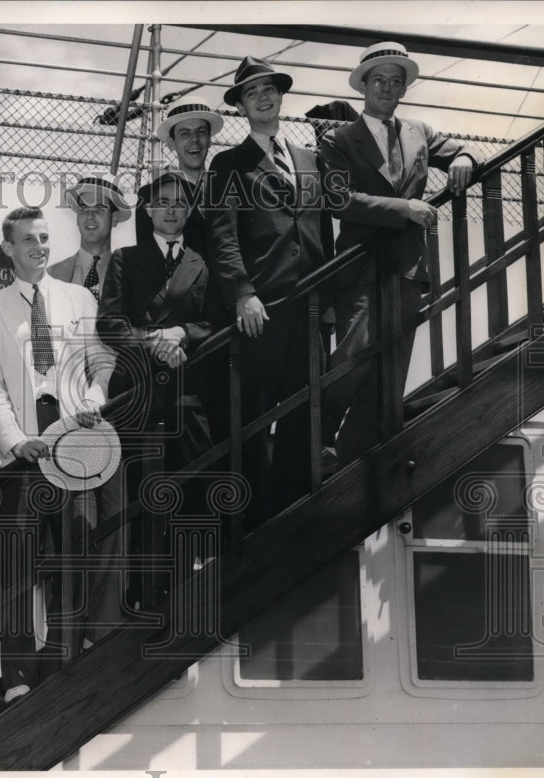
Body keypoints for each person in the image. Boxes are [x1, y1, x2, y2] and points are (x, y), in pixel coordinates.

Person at [0, 206, 122, 699]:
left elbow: (101, 360)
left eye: (44, 238)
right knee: (16, 566)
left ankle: (64, 666)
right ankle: (16, 679)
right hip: (24, 456)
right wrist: (16, 444)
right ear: (8, 250)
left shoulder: (78, 298)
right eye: (29, 240)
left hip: (72, 450)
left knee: (74, 558)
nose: (40, 247)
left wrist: (94, 402)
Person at [319, 42, 479, 464]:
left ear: (403, 90)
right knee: (350, 357)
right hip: (359, 266)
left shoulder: (419, 132)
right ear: (364, 86)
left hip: (408, 269)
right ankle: (314, 438)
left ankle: (351, 454)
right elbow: (340, 201)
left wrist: (463, 156)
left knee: (391, 368)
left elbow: (459, 151)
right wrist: (405, 209)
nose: (387, 89)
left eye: (395, 82)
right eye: (379, 81)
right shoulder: (337, 139)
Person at [205, 55, 335, 522]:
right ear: (241, 105)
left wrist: (330, 306)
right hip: (262, 309)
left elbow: (326, 229)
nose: (263, 97)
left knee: (307, 409)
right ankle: (254, 516)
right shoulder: (227, 165)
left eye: (269, 89)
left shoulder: (310, 160)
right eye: (252, 92)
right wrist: (242, 292)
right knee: (255, 416)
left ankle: (290, 505)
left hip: (312, 305)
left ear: (281, 97)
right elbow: (222, 237)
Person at [99, 172, 222, 587]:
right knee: (141, 495)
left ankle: (190, 584)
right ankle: (141, 594)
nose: (171, 209)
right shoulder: (125, 259)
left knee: (193, 483)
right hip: (137, 393)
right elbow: (109, 324)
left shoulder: (203, 264)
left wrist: (183, 333)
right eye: (162, 202)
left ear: (188, 211)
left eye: (179, 203)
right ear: (148, 209)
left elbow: (215, 323)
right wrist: (154, 339)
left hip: (187, 393)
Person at [135, 95, 223, 254]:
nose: (194, 140)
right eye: (185, 133)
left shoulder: (226, 190)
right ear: (171, 143)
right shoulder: (150, 194)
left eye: (201, 132)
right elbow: (146, 256)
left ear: (210, 140)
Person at [47, 173, 131, 301]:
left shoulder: (131, 277)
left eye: (99, 209)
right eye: (84, 209)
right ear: (77, 218)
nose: (90, 216)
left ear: (114, 219)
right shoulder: (52, 276)